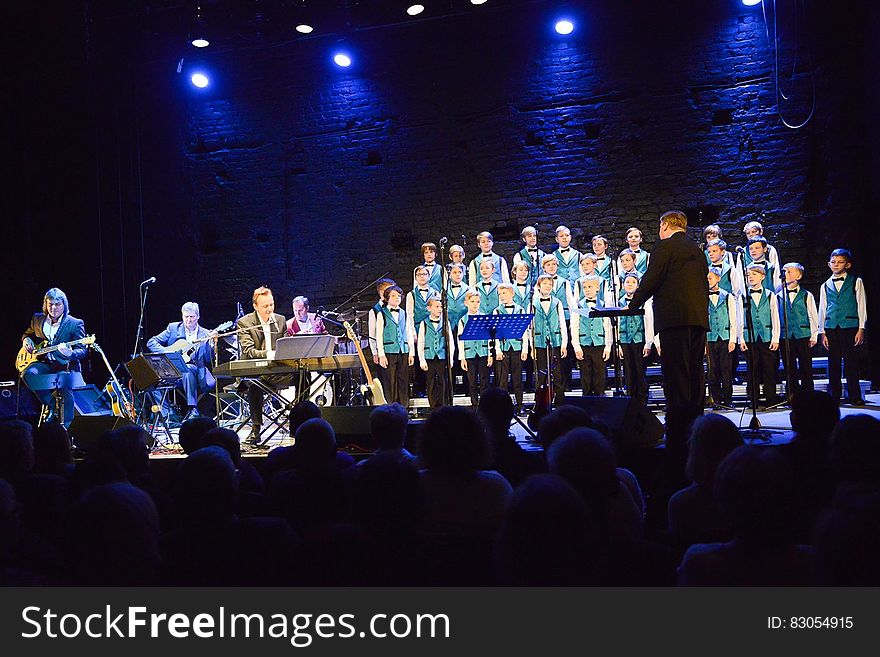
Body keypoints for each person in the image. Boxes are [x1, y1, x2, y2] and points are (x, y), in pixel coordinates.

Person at [627, 210, 709, 411]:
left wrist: (632, 305)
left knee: (676, 372)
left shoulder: (665, 246)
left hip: (674, 319)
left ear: (664, 226)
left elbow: (651, 280)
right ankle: (695, 417)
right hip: (698, 319)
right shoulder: (697, 249)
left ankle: (679, 419)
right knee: (695, 370)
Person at [20, 288, 89, 426]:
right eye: (50, 304)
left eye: (57, 304)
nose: (53, 307)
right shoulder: (37, 319)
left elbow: (82, 350)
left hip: (65, 365)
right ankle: (50, 403)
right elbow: (27, 334)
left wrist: (71, 354)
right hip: (44, 363)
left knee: (64, 383)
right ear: (45, 304)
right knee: (28, 373)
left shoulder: (75, 323)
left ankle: (67, 427)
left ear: (64, 305)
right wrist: (26, 340)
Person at [236, 286, 291, 444]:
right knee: (255, 385)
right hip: (255, 373)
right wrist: (271, 354)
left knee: (303, 375)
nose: (270, 309)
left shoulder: (280, 320)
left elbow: (286, 345)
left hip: (276, 372)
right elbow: (249, 351)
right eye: (265, 306)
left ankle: (299, 422)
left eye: (271, 304)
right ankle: (256, 429)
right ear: (255, 307)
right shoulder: (245, 323)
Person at [146, 301, 216, 421]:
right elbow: (151, 342)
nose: (188, 320)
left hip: (194, 370)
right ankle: (167, 413)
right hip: (171, 369)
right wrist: (166, 352)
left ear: (198, 316)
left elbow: (207, 359)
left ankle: (192, 408)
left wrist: (212, 344)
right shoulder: (173, 328)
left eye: (192, 317)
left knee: (187, 370)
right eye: (186, 317)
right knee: (149, 377)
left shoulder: (205, 334)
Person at [818, 249, 867, 406]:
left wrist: (861, 328)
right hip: (832, 326)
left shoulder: (855, 281)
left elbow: (861, 305)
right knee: (834, 363)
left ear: (848, 264)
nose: (836, 265)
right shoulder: (825, 285)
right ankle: (835, 396)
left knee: (851, 362)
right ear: (828, 264)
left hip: (850, 325)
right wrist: (822, 331)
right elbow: (823, 308)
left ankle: (854, 395)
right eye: (833, 262)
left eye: (840, 262)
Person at [740, 264, 781, 406]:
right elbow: (740, 318)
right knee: (752, 369)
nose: (750, 277)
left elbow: (775, 317)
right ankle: (753, 398)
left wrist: (775, 338)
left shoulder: (770, 295)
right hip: (750, 336)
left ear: (762, 277)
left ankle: (771, 398)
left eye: (754, 274)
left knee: (769, 369)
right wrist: (741, 338)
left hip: (766, 335)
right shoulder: (743, 296)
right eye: (748, 275)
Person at [777, 263, 818, 394]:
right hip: (786, 335)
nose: (786, 274)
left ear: (798, 276)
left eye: (789, 272)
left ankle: (808, 394)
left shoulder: (807, 295)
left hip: (802, 334)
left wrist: (813, 335)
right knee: (789, 367)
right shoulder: (778, 295)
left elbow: (812, 315)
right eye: (784, 272)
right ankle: (792, 394)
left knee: (806, 366)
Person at [617, 273, 655, 407]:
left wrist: (648, 343)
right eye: (627, 282)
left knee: (640, 371)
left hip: (639, 340)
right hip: (625, 340)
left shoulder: (645, 302)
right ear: (623, 285)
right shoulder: (619, 301)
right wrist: (618, 344)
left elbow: (649, 322)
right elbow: (616, 323)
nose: (629, 285)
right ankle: (630, 399)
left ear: (638, 286)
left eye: (633, 282)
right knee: (628, 371)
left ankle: (642, 399)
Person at [571, 275, 612, 397]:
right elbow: (574, 326)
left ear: (597, 288)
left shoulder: (603, 304)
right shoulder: (578, 305)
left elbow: (608, 326)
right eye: (585, 287)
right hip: (584, 343)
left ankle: (600, 399)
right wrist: (577, 347)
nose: (587, 289)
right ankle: (587, 399)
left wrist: (608, 346)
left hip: (599, 343)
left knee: (599, 375)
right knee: (585, 375)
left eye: (590, 286)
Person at [706, 267, 740, 408]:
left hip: (725, 337)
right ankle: (716, 399)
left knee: (726, 370)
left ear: (718, 279)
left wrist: (733, 339)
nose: (708, 281)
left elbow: (733, 318)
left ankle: (728, 399)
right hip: (710, 338)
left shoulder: (727, 296)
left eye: (710, 278)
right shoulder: (703, 297)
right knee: (712, 371)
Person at [375, 285, 414, 408]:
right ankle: (391, 408)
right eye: (393, 296)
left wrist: (411, 352)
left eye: (398, 296)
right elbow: (379, 335)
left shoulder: (404, 313)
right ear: (387, 298)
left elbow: (408, 332)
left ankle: (404, 408)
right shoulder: (382, 313)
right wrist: (381, 354)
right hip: (389, 351)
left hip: (403, 350)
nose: (397, 298)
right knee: (390, 381)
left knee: (403, 380)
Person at [493, 283, 530, 412]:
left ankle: (520, 405)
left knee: (517, 378)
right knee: (503, 380)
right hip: (503, 348)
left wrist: (525, 349)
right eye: (500, 294)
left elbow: (525, 330)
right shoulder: (497, 311)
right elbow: (496, 332)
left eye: (504, 293)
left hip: (516, 348)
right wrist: (497, 349)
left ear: (512, 294)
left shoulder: (520, 310)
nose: (502, 296)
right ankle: (503, 407)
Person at [532, 274, 568, 401]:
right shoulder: (532, 303)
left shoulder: (557, 302)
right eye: (544, 284)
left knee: (557, 373)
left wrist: (564, 343)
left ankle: (560, 400)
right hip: (539, 342)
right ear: (538, 286)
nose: (547, 287)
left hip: (555, 341)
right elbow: (529, 327)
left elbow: (562, 323)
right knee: (541, 374)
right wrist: (532, 347)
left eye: (550, 284)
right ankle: (541, 402)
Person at [458, 288, 494, 407]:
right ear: (466, 303)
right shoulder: (462, 320)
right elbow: (461, 340)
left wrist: (490, 354)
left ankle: (484, 405)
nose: (475, 304)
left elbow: (490, 337)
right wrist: (462, 358)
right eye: (472, 301)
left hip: (483, 352)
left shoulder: (484, 317)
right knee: (472, 382)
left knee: (484, 381)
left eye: (478, 302)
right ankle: (474, 405)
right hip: (469, 354)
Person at [417, 294, 452, 410]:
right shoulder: (424, 323)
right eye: (436, 307)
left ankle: (443, 405)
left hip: (442, 356)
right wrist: (422, 359)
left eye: (441, 307)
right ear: (429, 308)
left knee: (443, 381)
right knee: (430, 382)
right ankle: (433, 406)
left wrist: (450, 359)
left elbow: (450, 341)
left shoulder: (445, 322)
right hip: (429, 356)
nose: (439, 309)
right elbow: (421, 342)